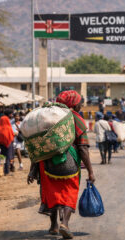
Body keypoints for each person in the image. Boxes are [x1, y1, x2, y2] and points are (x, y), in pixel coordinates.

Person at [28, 90, 95, 239]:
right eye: (79, 103)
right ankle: (64, 223)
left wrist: (32, 170)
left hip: (46, 164)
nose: (81, 106)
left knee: (52, 193)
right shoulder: (75, 118)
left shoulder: (47, 116)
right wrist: (90, 171)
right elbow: (83, 148)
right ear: (73, 104)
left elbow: (37, 145)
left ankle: (53, 226)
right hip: (69, 162)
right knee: (69, 191)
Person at [0, 109, 14, 175]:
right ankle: (6, 171)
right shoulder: (7, 125)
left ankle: (2, 170)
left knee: (3, 156)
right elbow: (10, 135)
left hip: (1, 143)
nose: (12, 115)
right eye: (11, 114)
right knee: (7, 157)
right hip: (7, 143)